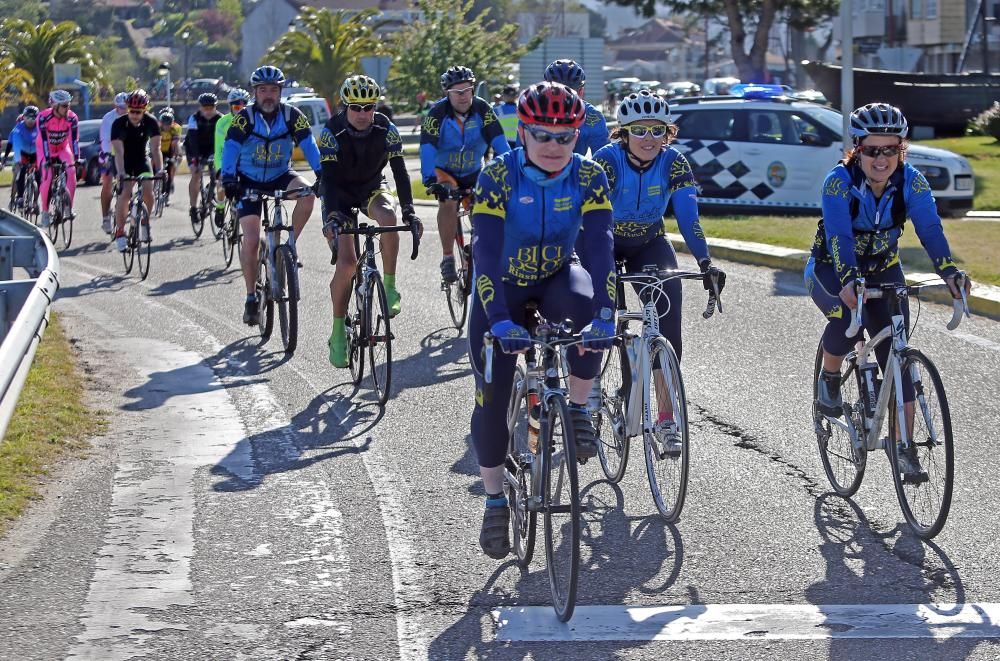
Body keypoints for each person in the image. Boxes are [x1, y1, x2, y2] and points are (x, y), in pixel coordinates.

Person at [468, 81, 616, 559]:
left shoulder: (590, 176)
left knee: (586, 309)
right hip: (503, 288)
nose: (555, 146)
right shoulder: (499, 176)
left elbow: (599, 246)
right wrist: (497, 319)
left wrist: (607, 311)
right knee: (492, 399)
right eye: (543, 135)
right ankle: (494, 498)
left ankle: (575, 407)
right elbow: (486, 254)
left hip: (555, 275)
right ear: (523, 133)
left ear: (578, 135)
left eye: (566, 136)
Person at [806, 102, 971, 482]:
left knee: (898, 358)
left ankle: (904, 448)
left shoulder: (912, 182)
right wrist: (848, 279)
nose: (881, 159)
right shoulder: (838, 182)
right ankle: (829, 380)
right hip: (832, 266)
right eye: (872, 150)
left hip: (883, 268)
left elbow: (929, 229)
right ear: (857, 149)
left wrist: (948, 271)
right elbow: (839, 235)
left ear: (902, 149)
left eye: (890, 150)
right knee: (847, 318)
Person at [591, 89, 726, 456]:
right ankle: (588, 393)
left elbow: (687, 218)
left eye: (657, 131)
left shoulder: (674, 162)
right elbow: (593, 218)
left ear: (667, 133)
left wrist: (705, 262)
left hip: (649, 242)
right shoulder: (607, 160)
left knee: (668, 331)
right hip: (604, 241)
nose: (648, 139)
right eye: (640, 131)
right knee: (604, 319)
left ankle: (666, 418)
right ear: (624, 132)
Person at [320, 74, 422, 367]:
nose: (363, 114)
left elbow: (400, 172)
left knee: (388, 217)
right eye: (356, 107)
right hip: (339, 196)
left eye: (369, 107)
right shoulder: (331, 132)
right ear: (345, 107)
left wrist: (410, 211)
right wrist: (331, 216)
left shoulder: (386, 129)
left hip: (371, 188)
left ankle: (389, 286)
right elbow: (326, 180)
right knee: (348, 263)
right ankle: (338, 330)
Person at [220, 65, 322, 326]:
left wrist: (322, 174)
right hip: (248, 180)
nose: (268, 95)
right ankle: (251, 297)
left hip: (280, 174)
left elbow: (309, 145)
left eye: (273, 90)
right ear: (255, 92)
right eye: (263, 90)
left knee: (308, 195)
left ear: (280, 92)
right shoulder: (245, 118)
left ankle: (289, 246)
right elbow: (230, 149)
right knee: (252, 240)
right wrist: (229, 178)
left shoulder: (292, 116)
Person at [420, 65, 510, 283]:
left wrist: (511, 169)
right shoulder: (436, 114)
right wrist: (429, 178)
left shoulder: (483, 109)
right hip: (445, 171)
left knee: (485, 209)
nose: (463, 96)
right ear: (447, 94)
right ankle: (448, 257)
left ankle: (481, 250)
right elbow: (427, 148)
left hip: (473, 170)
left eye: (467, 90)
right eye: (457, 92)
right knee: (449, 199)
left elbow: (501, 144)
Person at [110, 89, 162, 251]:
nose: (134, 115)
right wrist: (121, 173)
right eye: (131, 111)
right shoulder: (119, 124)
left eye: (138, 112)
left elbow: (155, 149)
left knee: (148, 190)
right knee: (125, 193)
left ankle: (145, 222)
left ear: (145, 110)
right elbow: (118, 152)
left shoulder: (151, 122)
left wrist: (160, 169)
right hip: (123, 161)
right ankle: (120, 231)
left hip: (141, 159)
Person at [543, 59, 610, 156]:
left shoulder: (592, 116)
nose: (562, 99)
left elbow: (604, 158)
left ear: (581, 92)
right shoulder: (592, 116)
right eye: (556, 92)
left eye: (568, 94)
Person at [36, 89, 81, 228]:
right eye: (64, 105)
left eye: (69, 105)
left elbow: (74, 140)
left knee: (71, 171)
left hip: (62, 149)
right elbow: (44, 140)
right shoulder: (43, 117)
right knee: (48, 176)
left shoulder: (72, 118)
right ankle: (44, 212)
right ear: (55, 106)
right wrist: (48, 160)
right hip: (45, 150)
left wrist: (77, 158)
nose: (68, 108)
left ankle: (68, 207)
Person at [212, 88, 250, 228]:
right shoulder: (222, 122)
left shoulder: (252, 121)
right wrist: (220, 169)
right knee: (221, 183)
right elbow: (220, 149)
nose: (240, 110)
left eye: (243, 107)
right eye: (236, 107)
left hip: (245, 161)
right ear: (230, 107)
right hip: (226, 158)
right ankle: (220, 208)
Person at [185, 92, 223, 227]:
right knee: (196, 175)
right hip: (194, 149)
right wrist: (196, 160)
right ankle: (193, 208)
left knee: (219, 177)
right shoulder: (194, 119)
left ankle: (219, 206)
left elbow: (223, 140)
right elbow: (193, 140)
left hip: (212, 149)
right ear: (200, 107)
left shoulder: (220, 119)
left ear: (215, 107)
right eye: (205, 108)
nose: (207, 111)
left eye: (210, 108)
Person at [98, 93, 128, 233]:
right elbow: (104, 139)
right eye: (120, 107)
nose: (123, 110)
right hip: (109, 152)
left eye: (126, 107)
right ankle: (105, 218)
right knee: (108, 183)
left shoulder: (133, 116)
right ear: (116, 106)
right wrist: (107, 156)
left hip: (126, 153)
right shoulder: (108, 118)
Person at [1, 105, 39, 210]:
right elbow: (12, 145)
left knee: (39, 174)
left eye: (33, 118)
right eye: (28, 118)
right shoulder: (17, 129)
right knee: (18, 174)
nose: (31, 121)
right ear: (23, 118)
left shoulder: (39, 127)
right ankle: (15, 198)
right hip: (21, 153)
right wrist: (15, 160)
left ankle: (35, 202)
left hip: (34, 152)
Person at [158, 108, 182, 202]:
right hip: (159, 150)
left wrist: (176, 156)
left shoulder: (175, 128)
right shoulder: (157, 128)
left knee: (170, 169)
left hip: (169, 150)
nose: (166, 126)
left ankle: (168, 186)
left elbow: (175, 144)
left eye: (168, 124)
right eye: (164, 123)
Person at [494, 83, 518, 149]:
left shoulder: (497, 110)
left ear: (503, 95)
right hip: (517, 144)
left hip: (501, 144)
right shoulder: (521, 110)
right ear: (516, 96)